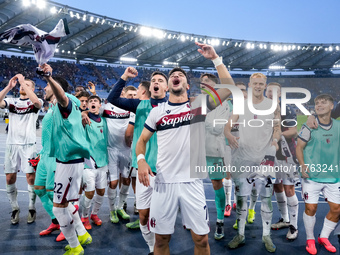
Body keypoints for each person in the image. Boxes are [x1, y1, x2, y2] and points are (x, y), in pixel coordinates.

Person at [136, 42, 234, 255]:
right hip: (163, 183)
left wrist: (215, 58)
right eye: (172, 75)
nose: (176, 75)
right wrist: (141, 160)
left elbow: (229, 88)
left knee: (201, 240)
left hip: (192, 183)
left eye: (180, 74)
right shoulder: (157, 112)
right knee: (160, 241)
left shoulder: (197, 106)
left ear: (187, 85)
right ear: (168, 85)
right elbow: (141, 141)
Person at [107, 70, 167, 255]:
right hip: (144, 170)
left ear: (166, 87)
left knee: (163, 218)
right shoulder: (140, 105)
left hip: (166, 171)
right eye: (153, 80)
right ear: (151, 87)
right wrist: (124, 77)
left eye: (160, 80)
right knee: (143, 215)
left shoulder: (175, 107)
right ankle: (151, 247)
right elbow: (113, 99)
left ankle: (159, 249)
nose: (156, 82)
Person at [225, 73, 281, 253]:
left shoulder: (273, 105)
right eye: (255, 83)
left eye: (261, 84)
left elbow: (277, 128)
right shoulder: (241, 104)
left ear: (265, 85)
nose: (258, 86)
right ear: (250, 84)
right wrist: (229, 135)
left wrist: (275, 141)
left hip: (265, 159)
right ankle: (240, 235)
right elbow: (228, 125)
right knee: (241, 200)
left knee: (266, 200)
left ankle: (266, 236)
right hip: (242, 159)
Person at [40, 63, 92, 255]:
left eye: (46, 87)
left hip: (68, 162)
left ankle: (75, 246)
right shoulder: (66, 106)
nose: (44, 89)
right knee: (66, 203)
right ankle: (83, 234)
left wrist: (48, 77)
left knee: (59, 209)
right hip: (68, 160)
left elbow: (63, 98)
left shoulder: (65, 101)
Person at [296, 94, 340, 255]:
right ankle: (310, 239)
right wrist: (302, 165)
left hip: (334, 176)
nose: (319, 105)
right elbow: (299, 147)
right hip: (312, 177)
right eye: (317, 103)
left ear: (332, 106)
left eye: (324, 103)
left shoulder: (338, 126)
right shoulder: (309, 126)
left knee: (336, 209)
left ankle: (324, 236)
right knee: (311, 208)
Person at [0, 74, 43, 225]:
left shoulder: (36, 103)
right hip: (12, 145)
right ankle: (15, 208)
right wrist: (8, 87)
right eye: (21, 86)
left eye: (27, 85)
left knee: (31, 178)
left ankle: (31, 207)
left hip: (29, 145)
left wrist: (23, 82)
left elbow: (37, 102)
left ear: (32, 88)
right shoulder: (12, 101)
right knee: (9, 178)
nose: (22, 87)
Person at [266, 82, 299, 240]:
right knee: (277, 185)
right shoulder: (260, 108)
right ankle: (285, 219)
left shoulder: (286, 108)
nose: (271, 93)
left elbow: (294, 131)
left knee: (289, 189)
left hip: (286, 155)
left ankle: (294, 226)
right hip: (269, 154)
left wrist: (276, 136)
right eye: (269, 91)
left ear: (279, 94)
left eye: (275, 91)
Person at [34, 78, 66, 241]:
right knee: (39, 189)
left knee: (55, 194)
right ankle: (56, 222)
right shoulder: (52, 107)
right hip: (45, 155)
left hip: (56, 156)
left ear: (56, 87)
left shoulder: (62, 106)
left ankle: (67, 227)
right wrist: (41, 152)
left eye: (47, 85)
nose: (44, 88)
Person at [200, 73, 230, 240]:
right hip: (195, 150)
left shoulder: (224, 104)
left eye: (207, 81)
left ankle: (219, 221)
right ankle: (196, 218)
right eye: (202, 82)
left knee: (217, 183)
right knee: (192, 184)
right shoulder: (196, 101)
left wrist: (198, 121)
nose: (203, 84)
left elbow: (216, 128)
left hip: (214, 151)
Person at [81, 95, 108, 230]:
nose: (92, 103)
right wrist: (83, 114)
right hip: (89, 163)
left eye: (95, 101)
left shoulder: (105, 120)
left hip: (103, 162)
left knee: (102, 191)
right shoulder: (84, 120)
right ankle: (84, 216)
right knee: (89, 192)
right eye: (90, 101)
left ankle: (94, 214)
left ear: (99, 105)